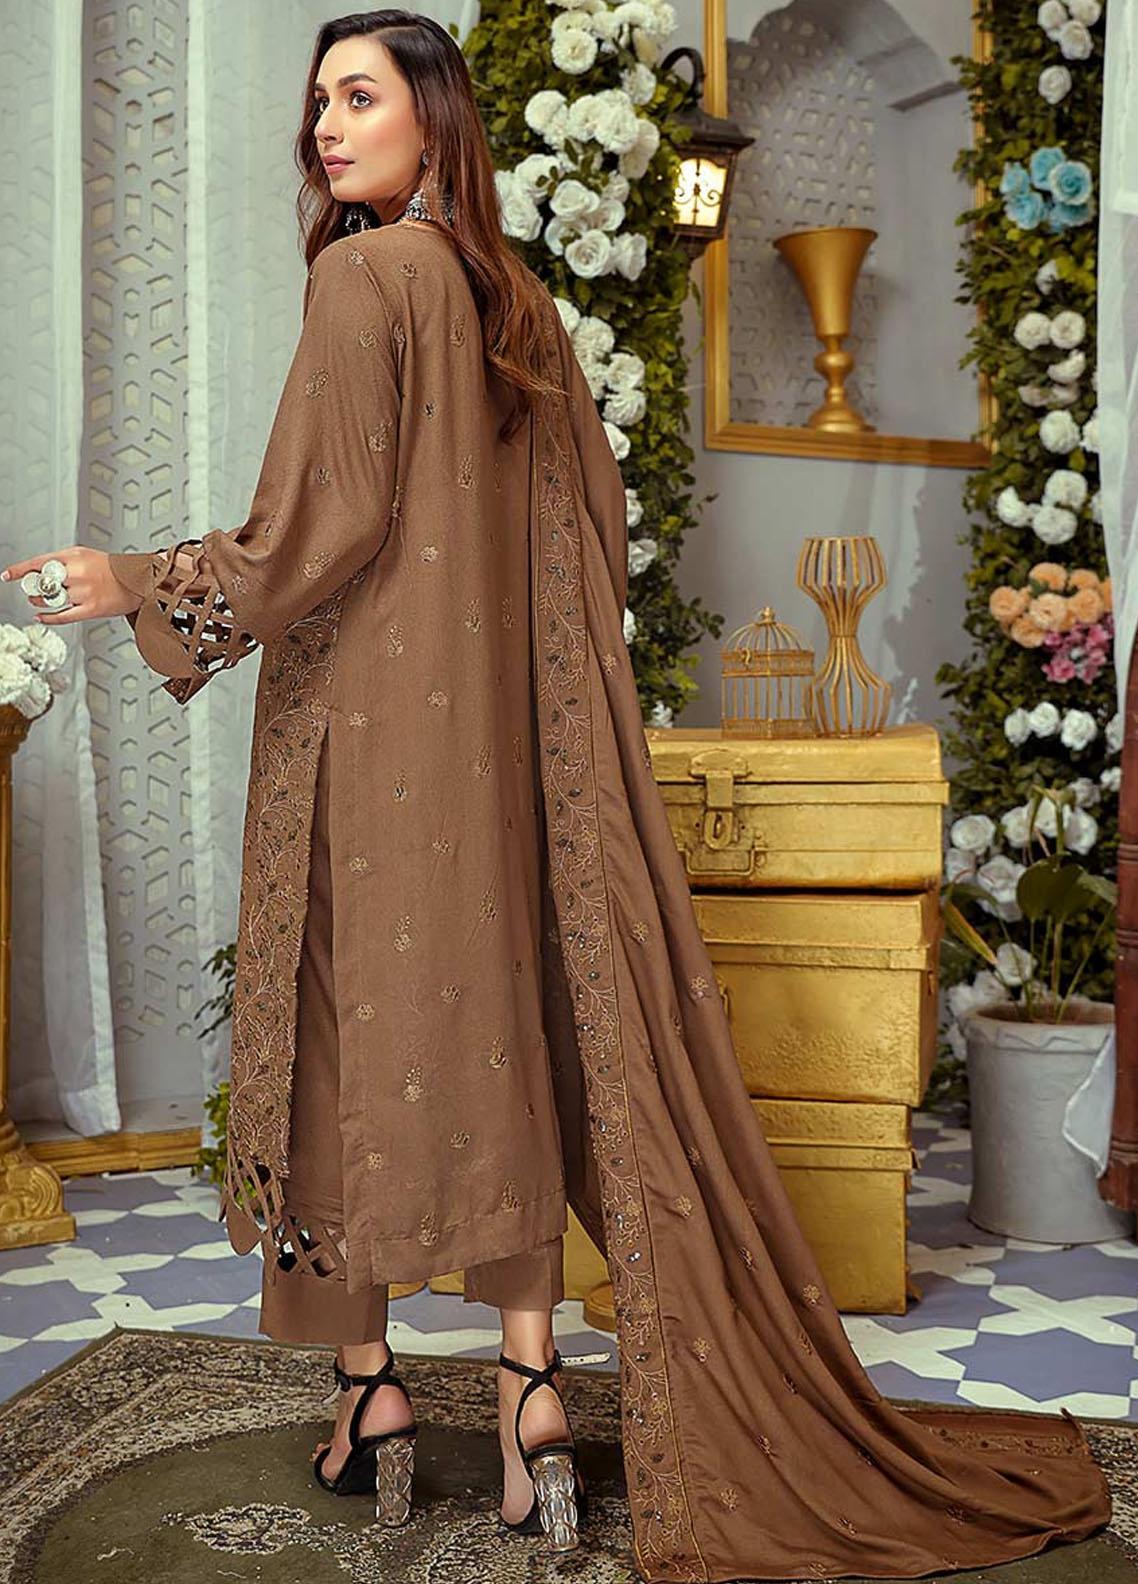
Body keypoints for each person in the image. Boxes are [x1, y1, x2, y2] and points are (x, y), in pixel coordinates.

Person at [4, 9, 1113, 1579]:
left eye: (360, 97)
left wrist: (133, 578)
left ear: (434, 121)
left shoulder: (364, 277)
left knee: (336, 1042)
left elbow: (319, 526)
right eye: (318, 101)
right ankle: (531, 1396)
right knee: (504, 1037)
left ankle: (369, 1390)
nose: (327, 126)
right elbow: (585, 539)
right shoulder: (510, 297)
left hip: (365, 746)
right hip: (506, 758)